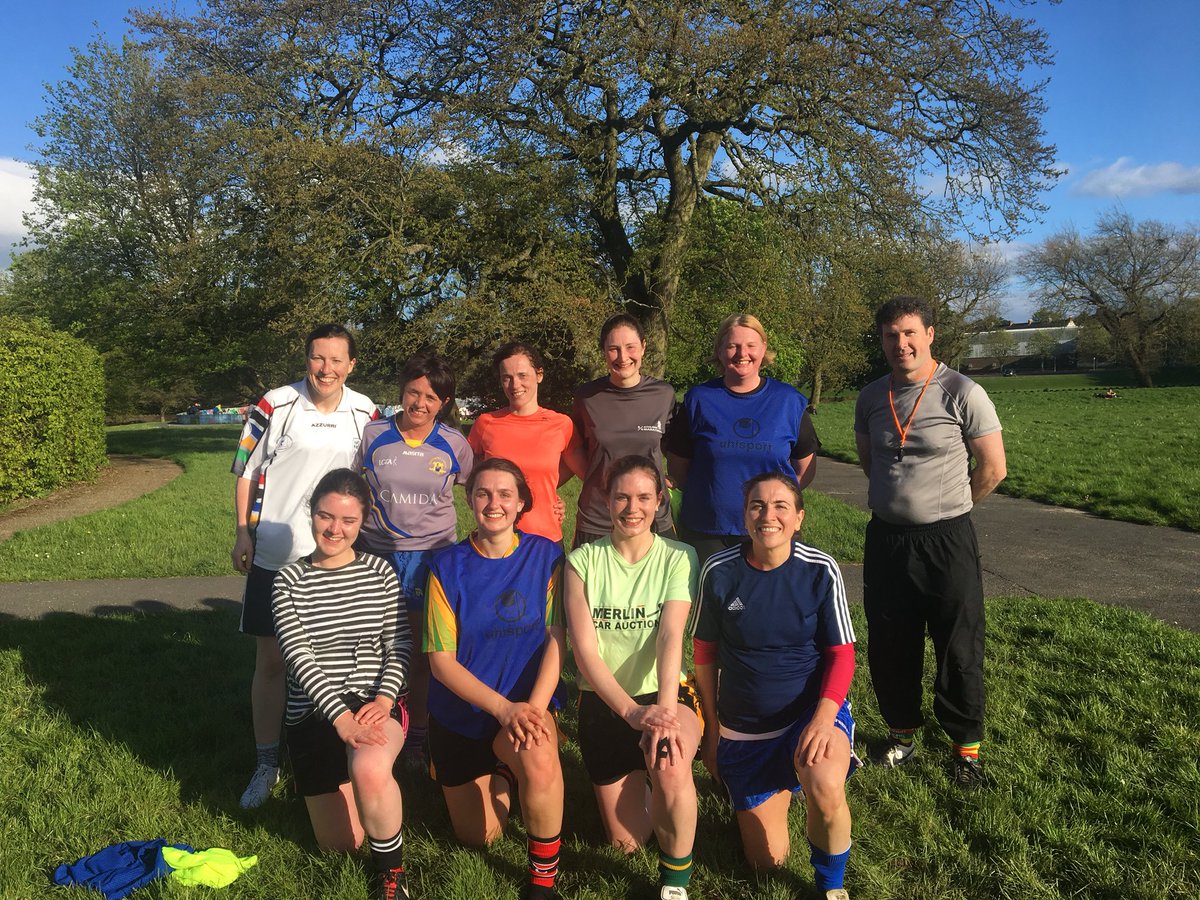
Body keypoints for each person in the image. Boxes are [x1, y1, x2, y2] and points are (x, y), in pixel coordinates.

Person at [854, 295, 1006, 789]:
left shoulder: (963, 391)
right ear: (881, 341)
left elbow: (992, 469)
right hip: (887, 541)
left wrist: (949, 510)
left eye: (909, 333)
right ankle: (902, 735)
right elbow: (870, 462)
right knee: (891, 642)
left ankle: (967, 751)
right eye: (890, 336)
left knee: (958, 644)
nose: (901, 343)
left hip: (947, 540)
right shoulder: (872, 396)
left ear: (930, 334)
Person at [230, 323, 378, 809]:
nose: (326, 369)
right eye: (318, 358)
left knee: (332, 664)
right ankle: (266, 762)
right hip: (276, 553)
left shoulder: (367, 413)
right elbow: (246, 470)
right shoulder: (275, 404)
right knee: (272, 663)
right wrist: (242, 531)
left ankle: (324, 755)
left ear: (351, 365)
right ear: (306, 358)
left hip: (337, 559)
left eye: (337, 360)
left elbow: (385, 474)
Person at [692, 473, 858, 900]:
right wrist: (712, 730)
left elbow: (842, 655)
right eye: (757, 506)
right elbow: (705, 654)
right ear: (744, 516)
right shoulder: (719, 570)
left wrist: (823, 721)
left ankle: (830, 886)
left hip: (808, 715)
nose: (769, 515)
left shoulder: (820, 570)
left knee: (824, 783)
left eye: (781, 506)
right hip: (745, 729)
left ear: (799, 517)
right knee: (766, 865)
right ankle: (782, 782)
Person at [425, 458, 566, 900]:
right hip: (463, 714)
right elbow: (441, 662)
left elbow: (557, 640)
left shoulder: (547, 555)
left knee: (540, 755)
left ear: (522, 502)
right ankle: (502, 770)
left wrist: (533, 710)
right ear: (469, 500)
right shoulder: (445, 565)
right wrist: (503, 709)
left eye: (505, 494)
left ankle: (542, 881)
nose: (494, 503)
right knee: (479, 837)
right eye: (483, 493)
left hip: (528, 707)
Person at [271, 468, 412, 899]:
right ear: (311, 514)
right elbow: (299, 659)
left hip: (373, 702)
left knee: (369, 769)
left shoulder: (380, 573)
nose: (335, 529)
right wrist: (340, 719)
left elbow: (400, 644)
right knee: (340, 847)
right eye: (326, 516)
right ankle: (330, 777)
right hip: (314, 712)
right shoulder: (288, 581)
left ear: (363, 521)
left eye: (348, 521)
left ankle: (392, 878)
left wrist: (386, 697)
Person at [565, 455, 700, 900]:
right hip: (608, 700)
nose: (632, 507)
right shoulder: (581, 561)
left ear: (660, 500)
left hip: (664, 693)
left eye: (644, 497)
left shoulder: (680, 556)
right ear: (606, 499)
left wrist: (660, 714)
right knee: (626, 845)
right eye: (621, 496)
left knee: (671, 762)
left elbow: (670, 636)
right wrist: (629, 711)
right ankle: (647, 787)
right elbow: (584, 652)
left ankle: (675, 883)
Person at [354, 352, 473, 769]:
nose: (420, 403)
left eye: (432, 397)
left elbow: (477, 492)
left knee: (424, 654)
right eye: (414, 392)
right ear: (402, 391)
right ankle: (374, 728)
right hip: (376, 554)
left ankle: (418, 739)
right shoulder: (373, 435)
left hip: (432, 557)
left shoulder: (455, 443)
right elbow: (354, 488)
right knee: (377, 649)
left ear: (444, 403)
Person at [664, 313, 820, 563]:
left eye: (750, 345)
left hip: (771, 531)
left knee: (771, 601)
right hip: (707, 531)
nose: (741, 353)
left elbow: (805, 469)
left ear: (764, 348)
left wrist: (776, 502)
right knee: (710, 602)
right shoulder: (699, 400)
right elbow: (678, 467)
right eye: (732, 346)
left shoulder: (788, 401)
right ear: (719, 350)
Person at [571, 313, 676, 547]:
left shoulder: (663, 394)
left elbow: (673, 445)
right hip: (598, 518)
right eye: (614, 349)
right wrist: (599, 479)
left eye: (630, 347)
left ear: (643, 347)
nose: (623, 357)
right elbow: (573, 448)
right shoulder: (587, 397)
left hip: (652, 516)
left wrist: (668, 476)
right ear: (603, 352)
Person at [468, 342, 582, 544]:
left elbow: (583, 470)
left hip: (545, 539)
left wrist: (547, 489)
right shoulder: (485, 424)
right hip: (496, 541)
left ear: (539, 375)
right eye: (507, 378)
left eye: (522, 375)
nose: (515, 385)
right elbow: (469, 472)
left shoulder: (562, 425)